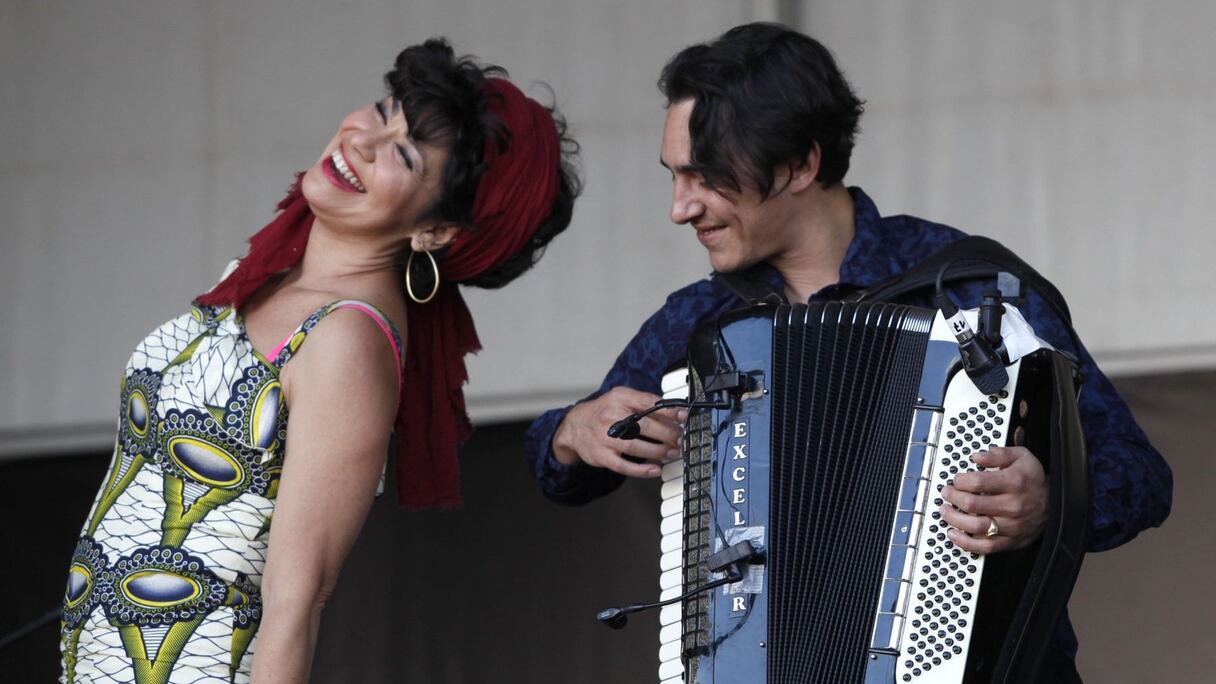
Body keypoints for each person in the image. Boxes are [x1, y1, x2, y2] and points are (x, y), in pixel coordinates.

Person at [525, 22, 1170, 681]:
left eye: (706, 177)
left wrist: (1050, 500)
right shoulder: (700, 323)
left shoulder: (970, 290)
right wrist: (574, 431)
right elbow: (563, 470)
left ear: (801, 164)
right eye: (673, 177)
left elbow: (1141, 475)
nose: (680, 208)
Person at [60, 38, 580, 683]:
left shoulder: (345, 339)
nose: (364, 140)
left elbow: (296, 602)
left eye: (405, 153)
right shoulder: (262, 280)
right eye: (384, 110)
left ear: (437, 231)